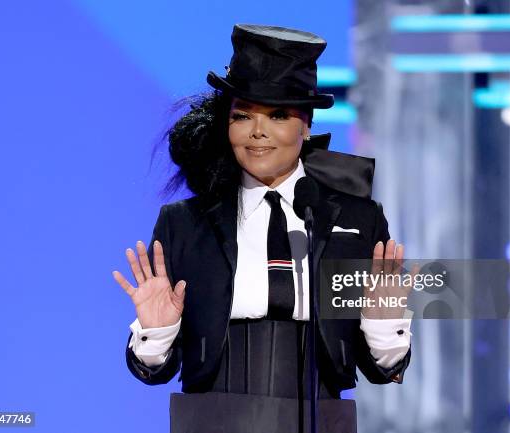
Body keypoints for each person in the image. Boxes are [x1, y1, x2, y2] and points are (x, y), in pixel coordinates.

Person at [112, 23, 412, 433]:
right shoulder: (185, 223)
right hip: (212, 421)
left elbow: (381, 369)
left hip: (320, 420)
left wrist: (382, 325)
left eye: (277, 115)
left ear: (305, 125)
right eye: (242, 115)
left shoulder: (357, 220)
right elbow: (154, 370)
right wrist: (157, 331)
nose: (257, 131)